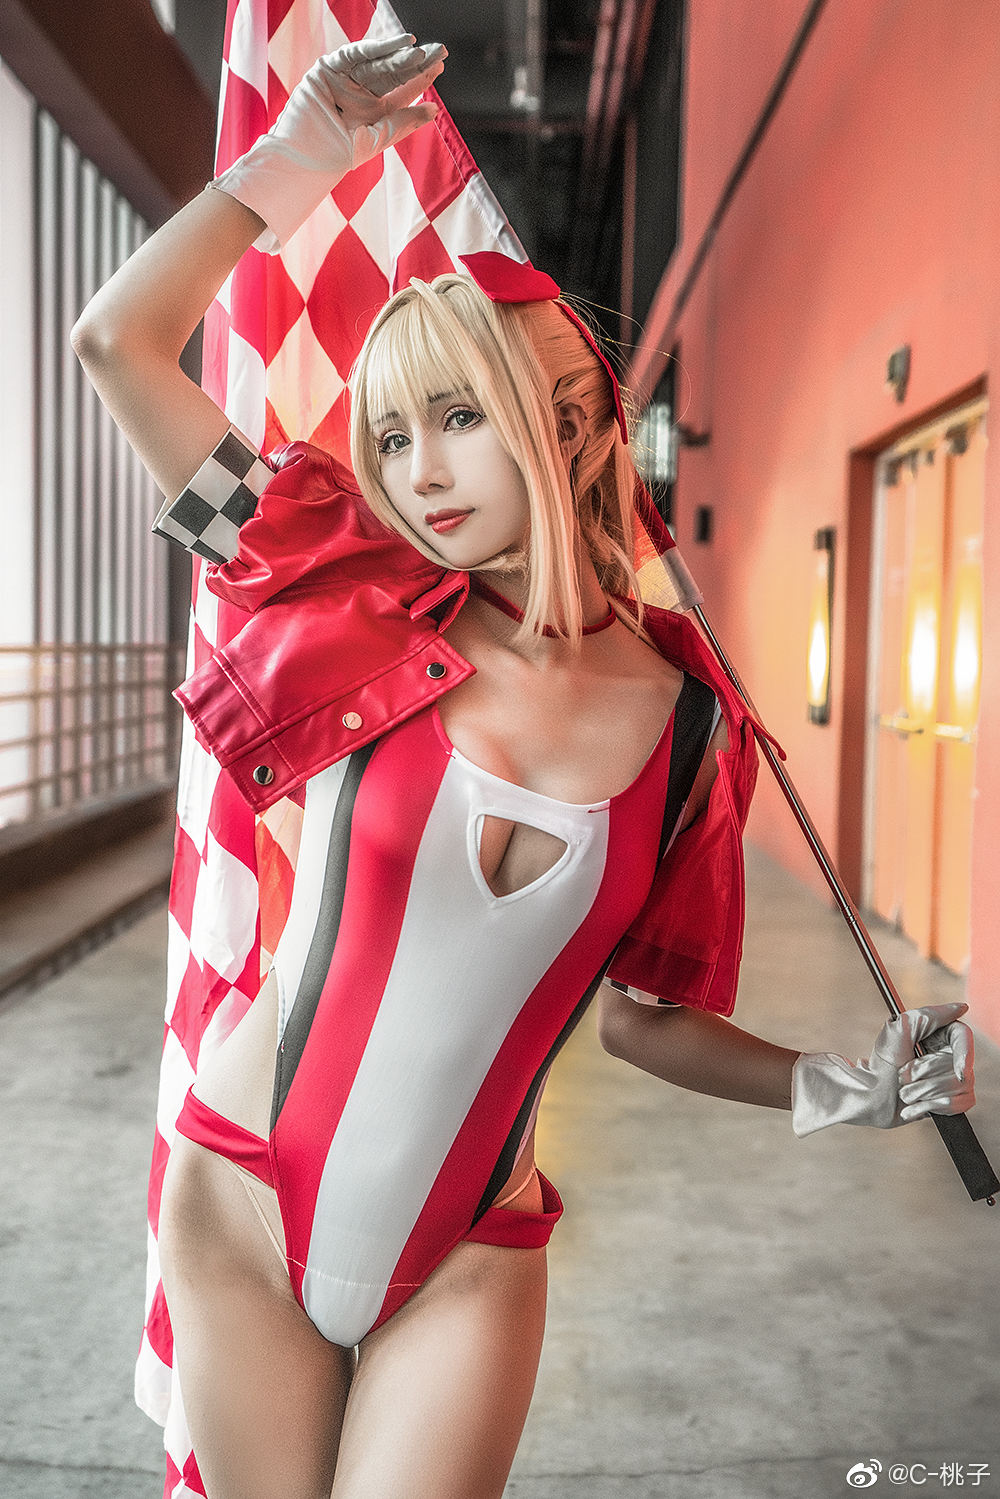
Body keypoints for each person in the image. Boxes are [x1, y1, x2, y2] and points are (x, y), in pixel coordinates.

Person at [71, 35, 976, 1499]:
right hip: (239, 1200)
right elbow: (118, 344)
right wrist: (299, 158)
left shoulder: (694, 731)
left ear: (571, 424)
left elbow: (646, 1026)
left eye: (459, 419)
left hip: (470, 1256)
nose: (418, 470)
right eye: (390, 434)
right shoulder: (338, 592)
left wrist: (849, 1086)